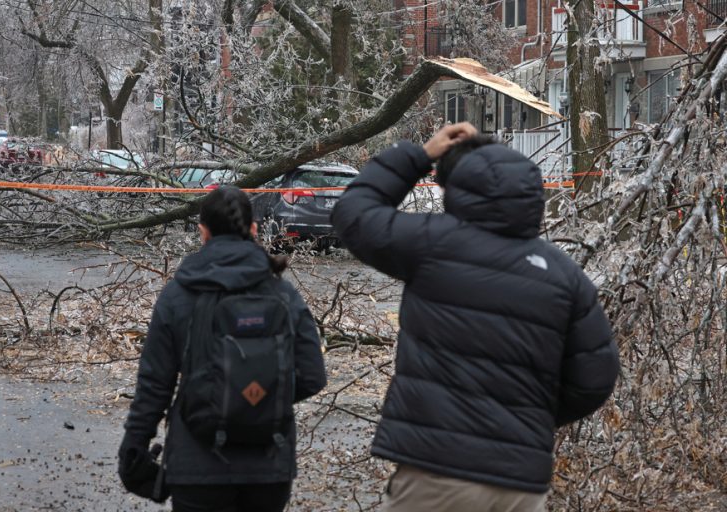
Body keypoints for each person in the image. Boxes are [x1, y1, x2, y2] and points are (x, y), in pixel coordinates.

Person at [331, 123, 619, 512]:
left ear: (455, 189)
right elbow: (594, 378)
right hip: (522, 481)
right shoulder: (565, 275)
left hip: (439, 469)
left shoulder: (433, 242)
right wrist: (525, 414)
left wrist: (417, 155)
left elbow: (353, 215)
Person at [119, 186, 327, 512]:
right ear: (254, 230)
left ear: (203, 232)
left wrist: (134, 445)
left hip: (197, 464)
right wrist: (258, 397)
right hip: (269, 465)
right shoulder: (284, 296)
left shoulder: (178, 295)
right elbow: (312, 376)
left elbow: (155, 384)